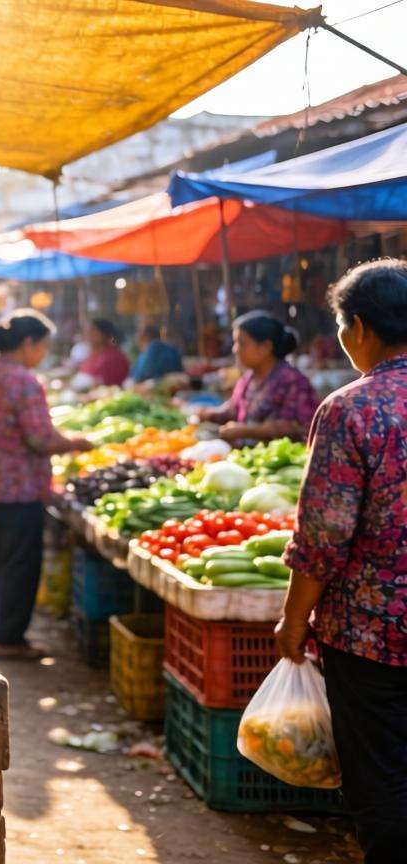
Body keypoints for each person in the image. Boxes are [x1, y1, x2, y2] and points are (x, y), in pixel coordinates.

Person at [275, 259, 407, 864]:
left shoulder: (352, 407)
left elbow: (323, 536)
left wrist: (294, 618)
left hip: (374, 635)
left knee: (381, 775)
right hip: (376, 632)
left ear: (357, 328)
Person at [0, 311, 93, 658]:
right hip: (15, 487)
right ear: (29, 343)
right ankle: (10, 638)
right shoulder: (23, 380)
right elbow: (41, 438)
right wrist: (77, 442)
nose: (43, 354)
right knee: (18, 562)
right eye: (43, 347)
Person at [195, 311, 319, 444]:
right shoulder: (247, 380)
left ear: (265, 347)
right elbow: (232, 410)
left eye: (241, 343)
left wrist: (247, 431)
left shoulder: (292, 381)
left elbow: (299, 428)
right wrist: (207, 414)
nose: (235, 350)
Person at [78, 318, 130, 386]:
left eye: (93, 331)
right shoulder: (94, 354)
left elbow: (104, 383)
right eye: (87, 331)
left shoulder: (114, 357)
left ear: (105, 335)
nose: (88, 334)